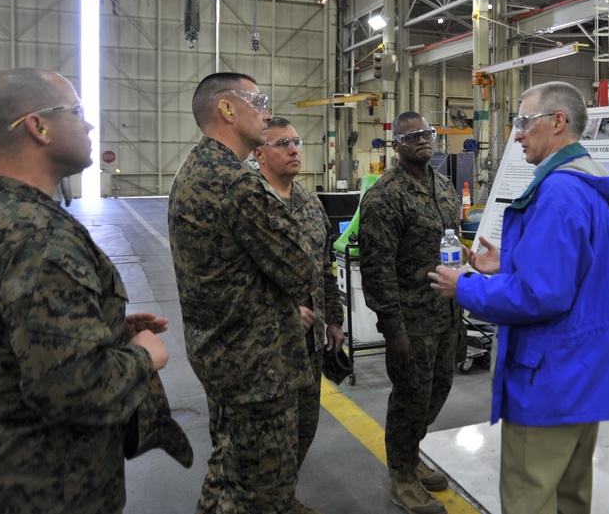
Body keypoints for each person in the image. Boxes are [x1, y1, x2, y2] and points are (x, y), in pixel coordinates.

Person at [0, 67, 170, 514]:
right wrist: (144, 354)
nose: (88, 124)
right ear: (38, 126)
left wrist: (101, 326)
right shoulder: (40, 239)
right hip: (49, 487)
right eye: (78, 111)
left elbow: (4, 332)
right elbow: (72, 389)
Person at [428, 81, 609, 514]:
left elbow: (540, 295)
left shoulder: (559, 192)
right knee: (571, 496)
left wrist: (463, 286)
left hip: (550, 378)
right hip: (586, 372)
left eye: (524, 122)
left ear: (558, 122)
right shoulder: (588, 182)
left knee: (529, 497)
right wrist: (510, 261)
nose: (517, 134)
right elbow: (578, 270)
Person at [168, 72, 321, 514]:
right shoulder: (237, 183)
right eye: (259, 101)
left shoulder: (193, 170)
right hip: (257, 367)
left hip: (220, 354)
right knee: (259, 492)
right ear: (228, 110)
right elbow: (300, 269)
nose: (267, 111)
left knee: (228, 473)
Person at [359, 111, 463, 514]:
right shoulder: (386, 196)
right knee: (410, 398)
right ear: (397, 145)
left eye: (426, 133)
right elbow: (377, 267)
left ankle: (411, 455)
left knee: (437, 392)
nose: (422, 140)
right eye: (411, 136)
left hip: (447, 313)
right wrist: (394, 328)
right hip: (411, 321)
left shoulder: (444, 186)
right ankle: (402, 476)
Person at [252, 117, 345, 479]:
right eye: (282, 144)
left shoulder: (309, 201)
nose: (294, 150)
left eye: (296, 142)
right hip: (267, 346)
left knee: (305, 426)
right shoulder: (252, 202)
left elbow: (326, 266)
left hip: (309, 343)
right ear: (259, 154)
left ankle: (285, 497)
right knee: (269, 439)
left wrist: (333, 320)